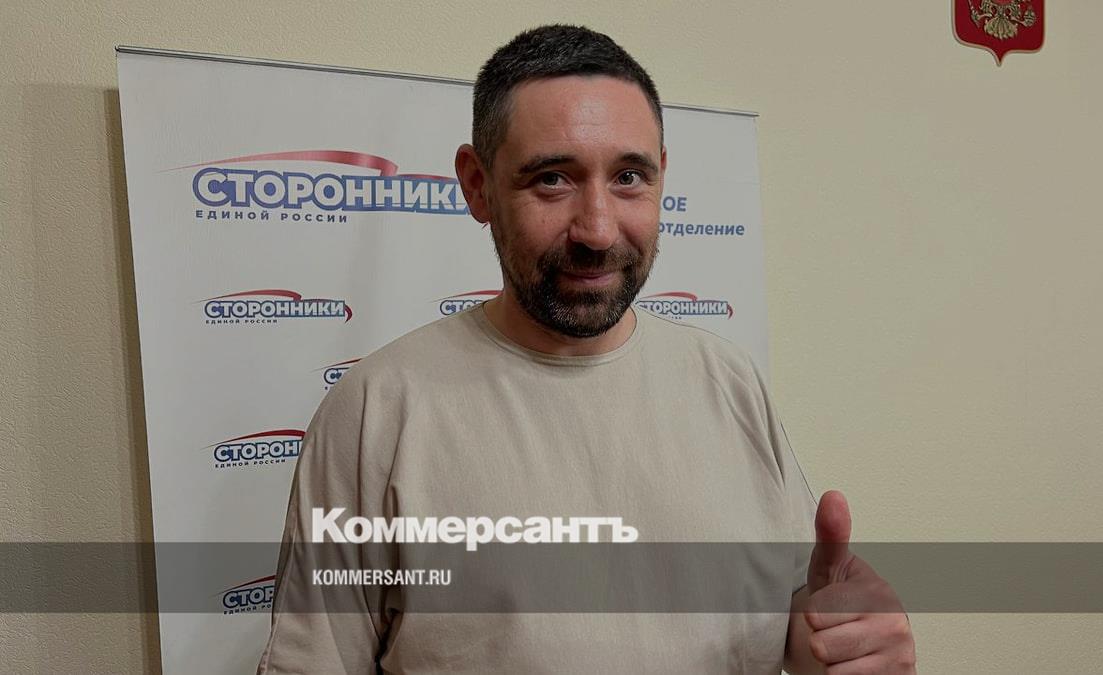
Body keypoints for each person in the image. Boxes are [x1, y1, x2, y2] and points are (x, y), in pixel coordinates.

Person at [258, 24, 916, 674]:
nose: (598, 230)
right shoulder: (376, 412)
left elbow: (792, 631)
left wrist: (845, 642)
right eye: (552, 179)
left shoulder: (728, 380)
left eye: (629, 176)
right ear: (477, 185)